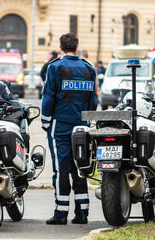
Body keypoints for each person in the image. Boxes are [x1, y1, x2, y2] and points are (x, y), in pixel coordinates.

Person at [41, 33, 98, 225]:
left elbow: (48, 96)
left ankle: (61, 212)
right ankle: (82, 212)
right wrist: (89, 121)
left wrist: (45, 121)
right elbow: (93, 99)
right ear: (77, 46)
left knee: (61, 168)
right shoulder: (89, 68)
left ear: (61, 47)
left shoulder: (55, 67)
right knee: (80, 167)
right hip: (82, 124)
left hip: (61, 125)